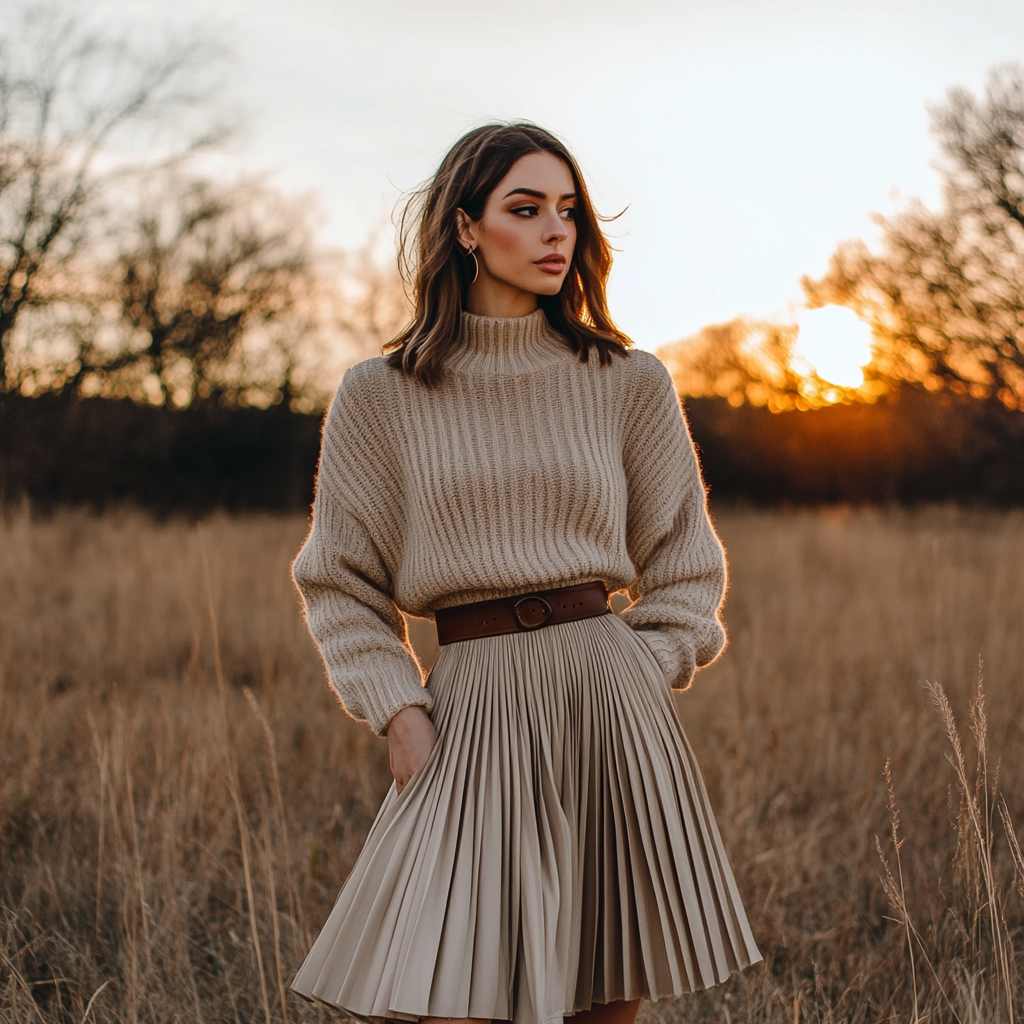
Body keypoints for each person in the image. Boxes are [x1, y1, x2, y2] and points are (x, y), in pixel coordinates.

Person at [288, 121, 764, 1024]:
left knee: (600, 994)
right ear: (466, 228)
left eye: (569, 212)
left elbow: (686, 560)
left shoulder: (626, 379)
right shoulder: (380, 394)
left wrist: (648, 660)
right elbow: (340, 582)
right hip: (468, 705)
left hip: (606, 701)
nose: (556, 232)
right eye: (525, 208)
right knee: (443, 992)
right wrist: (398, 706)